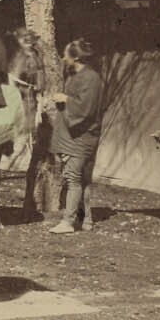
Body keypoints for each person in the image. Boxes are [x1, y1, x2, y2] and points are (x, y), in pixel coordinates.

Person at [49, 38, 103, 234]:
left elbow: (86, 109)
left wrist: (65, 99)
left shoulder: (92, 78)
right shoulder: (74, 76)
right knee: (81, 179)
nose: (64, 58)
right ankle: (86, 220)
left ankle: (68, 222)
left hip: (81, 135)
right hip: (71, 134)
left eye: (66, 55)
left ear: (77, 58)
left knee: (73, 178)